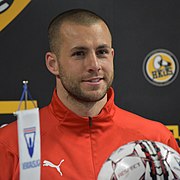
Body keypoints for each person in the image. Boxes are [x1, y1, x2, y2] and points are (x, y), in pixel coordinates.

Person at [0, 9, 179, 180]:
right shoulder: (10, 144)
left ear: (112, 56)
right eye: (79, 54)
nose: (94, 64)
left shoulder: (157, 140)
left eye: (102, 52)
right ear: (53, 64)